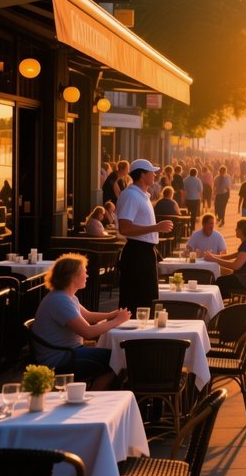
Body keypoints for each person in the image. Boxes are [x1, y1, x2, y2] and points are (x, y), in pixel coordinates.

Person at [32, 253, 130, 390]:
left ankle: (95, 392)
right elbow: (87, 332)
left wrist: (111, 315)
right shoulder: (60, 300)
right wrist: (118, 321)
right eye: (84, 272)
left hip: (68, 352)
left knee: (114, 357)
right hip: (60, 358)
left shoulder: (67, 296)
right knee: (115, 360)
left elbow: (88, 316)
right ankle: (95, 397)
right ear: (73, 276)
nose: (87, 276)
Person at [116, 159, 173, 312]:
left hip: (144, 252)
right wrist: (156, 227)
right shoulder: (132, 195)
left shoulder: (140, 195)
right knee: (137, 299)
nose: (155, 175)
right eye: (151, 172)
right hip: (137, 253)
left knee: (147, 298)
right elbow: (124, 228)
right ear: (142, 175)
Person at [204, 217, 246, 298]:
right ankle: (220, 302)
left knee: (219, 281)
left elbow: (235, 266)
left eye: (237, 228)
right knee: (220, 279)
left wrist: (213, 259)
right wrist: (212, 256)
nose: (235, 230)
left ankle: (218, 303)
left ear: (242, 230)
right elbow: (230, 256)